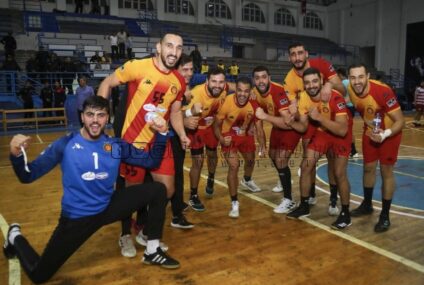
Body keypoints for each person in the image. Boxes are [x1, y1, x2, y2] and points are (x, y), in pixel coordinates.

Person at [2, 96, 180, 284]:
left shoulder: (114, 146)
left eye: (101, 115)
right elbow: (27, 175)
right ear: (82, 117)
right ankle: (14, 236)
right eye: (90, 115)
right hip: (77, 218)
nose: (95, 120)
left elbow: (151, 161)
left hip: (107, 207)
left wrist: (161, 134)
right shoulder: (66, 145)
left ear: (107, 118)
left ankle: (152, 250)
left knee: (158, 190)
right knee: (39, 275)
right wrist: (16, 155)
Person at [97, 33, 190, 257]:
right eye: (169, 46)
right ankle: (125, 235)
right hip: (133, 143)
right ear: (159, 47)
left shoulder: (178, 80)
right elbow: (107, 82)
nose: (173, 52)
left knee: (168, 189)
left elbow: (175, 112)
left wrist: (182, 133)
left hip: (159, 141)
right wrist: (99, 122)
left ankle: (148, 233)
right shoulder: (137, 66)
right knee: (130, 195)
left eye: (178, 48)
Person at [284, 68, 353, 230]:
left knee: (339, 173)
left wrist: (319, 117)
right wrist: (291, 122)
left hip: (340, 135)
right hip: (323, 133)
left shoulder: (334, 97)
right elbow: (303, 128)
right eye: (307, 82)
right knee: (306, 166)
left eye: (314, 81)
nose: (311, 85)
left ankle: (345, 213)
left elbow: (342, 130)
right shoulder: (304, 99)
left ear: (321, 81)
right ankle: (304, 205)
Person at [280, 42, 345, 211]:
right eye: (293, 54)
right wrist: (292, 113)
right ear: (289, 58)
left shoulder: (321, 65)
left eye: (300, 53)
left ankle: (332, 199)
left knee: (332, 160)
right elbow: (295, 107)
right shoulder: (289, 79)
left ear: (306, 54)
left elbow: (343, 91)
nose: (297, 57)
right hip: (309, 119)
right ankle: (310, 195)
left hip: (330, 117)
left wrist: (329, 84)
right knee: (308, 160)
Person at [347, 63, 404, 233]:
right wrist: (371, 125)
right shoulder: (351, 90)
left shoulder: (383, 91)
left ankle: (385, 216)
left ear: (368, 76)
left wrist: (385, 134)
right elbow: (367, 112)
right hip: (370, 132)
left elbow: (400, 121)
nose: (357, 81)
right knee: (368, 169)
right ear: (349, 79)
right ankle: (367, 204)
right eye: (353, 77)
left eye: (360, 77)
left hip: (390, 134)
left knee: (386, 172)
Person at [214, 77, 265, 218]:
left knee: (250, 161)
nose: (242, 94)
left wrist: (262, 145)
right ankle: (234, 202)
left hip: (245, 135)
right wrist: (221, 139)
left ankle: (247, 180)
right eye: (240, 90)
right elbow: (216, 125)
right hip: (228, 136)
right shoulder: (226, 103)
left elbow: (259, 128)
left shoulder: (254, 104)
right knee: (234, 166)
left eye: (246, 91)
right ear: (235, 89)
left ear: (251, 92)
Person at [252, 66, 297, 214]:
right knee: (272, 156)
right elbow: (258, 123)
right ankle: (284, 179)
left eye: (263, 77)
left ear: (269, 78)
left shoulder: (278, 92)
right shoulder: (254, 94)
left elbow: (287, 123)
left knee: (281, 160)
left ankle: (289, 200)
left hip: (292, 127)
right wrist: (262, 145)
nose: (261, 81)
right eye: (257, 78)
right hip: (277, 127)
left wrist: (265, 117)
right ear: (254, 80)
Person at [184, 68, 228, 211]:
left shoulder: (223, 89)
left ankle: (211, 177)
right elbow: (181, 114)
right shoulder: (196, 94)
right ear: (207, 81)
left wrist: (252, 91)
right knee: (198, 162)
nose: (217, 85)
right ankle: (193, 195)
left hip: (211, 127)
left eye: (221, 82)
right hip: (196, 128)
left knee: (212, 155)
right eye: (214, 81)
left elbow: (233, 86)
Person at [337, 68, 359, 158]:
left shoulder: (344, 82)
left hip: (348, 108)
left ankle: (353, 151)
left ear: (339, 74)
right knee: (347, 129)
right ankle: (352, 150)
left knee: (347, 130)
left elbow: (351, 95)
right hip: (351, 108)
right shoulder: (348, 82)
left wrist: (343, 102)